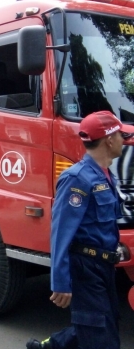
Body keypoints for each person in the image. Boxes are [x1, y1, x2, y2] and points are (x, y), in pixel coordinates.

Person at [26, 111, 134, 349]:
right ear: (108, 140)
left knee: (101, 323)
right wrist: (60, 281)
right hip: (85, 267)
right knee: (100, 335)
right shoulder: (77, 179)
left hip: (104, 266)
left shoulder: (105, 176)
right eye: (121, 136)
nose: (124, 140)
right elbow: (61, 233)